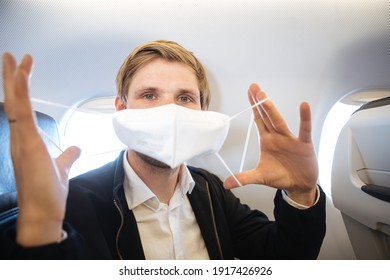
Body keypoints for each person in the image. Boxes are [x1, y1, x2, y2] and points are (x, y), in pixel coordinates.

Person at [1, 40, 325, 259]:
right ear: (121, 109)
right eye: (149, 95)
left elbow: (285, 257)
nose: (168, 112)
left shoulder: (212, 190)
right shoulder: (73, 199)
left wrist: (301, 194)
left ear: (201, 113)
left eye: (185, 98)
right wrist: (40, 228)